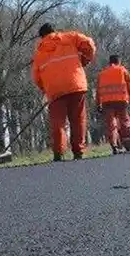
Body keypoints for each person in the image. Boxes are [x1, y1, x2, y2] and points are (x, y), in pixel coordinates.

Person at [31, 23, 96, 160]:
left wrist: (46, 88)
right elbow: (89, 43)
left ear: (41, 37)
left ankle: (59, 153)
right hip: (75, 83)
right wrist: (85, 59)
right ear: (54, 30)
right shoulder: (70, 37)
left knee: (58, 122)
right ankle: (79, 151)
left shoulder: (39, 52)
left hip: (55, 90)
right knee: (78, 119)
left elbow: (36, 77)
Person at [96, 54, 130, 154]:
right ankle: (128, 144)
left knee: (111, 124)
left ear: (109, 62)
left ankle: (114, 145)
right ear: (119, 61)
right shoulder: (122, 70)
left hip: (106, 102)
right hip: (121, 100)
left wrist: (98, 104)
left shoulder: (102, 73)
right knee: (124, 122)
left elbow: (98, 91)